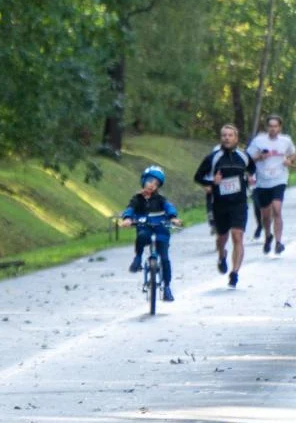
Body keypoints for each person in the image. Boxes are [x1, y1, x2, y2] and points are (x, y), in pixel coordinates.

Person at [194, 124, 256, 288]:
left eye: (230, 135)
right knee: (222, 238)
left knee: (237, 235)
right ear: (221, 138)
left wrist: (250, 177)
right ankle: (222, 255)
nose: (227, 138)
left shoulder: (243, 156)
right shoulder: (213, 157)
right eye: (224, 135)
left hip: (239, 203)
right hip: (220, 204)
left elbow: (252, 168)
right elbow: (198, 177)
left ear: (236, 138)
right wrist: (212, 182)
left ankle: (235, 273)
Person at [120, 165, 182, 301]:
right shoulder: (137, 199)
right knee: (142, 236)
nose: (152, 185)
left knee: (164, 258)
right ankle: (138, 258)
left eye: (156, 184)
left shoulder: (160, 199)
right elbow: (130, 209)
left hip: (161, 229)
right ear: (143, 181)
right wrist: (128, 219)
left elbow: (169, 207)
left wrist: (173, 218)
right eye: (150, 181)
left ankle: (167, 287)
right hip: (145, 227)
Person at [246, 115, 295, 255]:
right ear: (267, 127)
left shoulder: (286, 141)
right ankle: (268, 235)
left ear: (280, 127)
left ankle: (278, 242)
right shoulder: (258, 141)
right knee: (266, 216)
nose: (273, 129)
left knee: (277, 209)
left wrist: (289, 160)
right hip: (262, 181)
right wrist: (260, 157)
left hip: (279, 179)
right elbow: (248, 158)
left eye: (275, 126)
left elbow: (293, 154)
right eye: (270, 126)